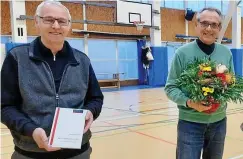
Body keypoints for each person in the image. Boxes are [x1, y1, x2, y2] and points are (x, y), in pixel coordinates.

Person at [1, 1, 104, 159]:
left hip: (78, 152)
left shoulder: (82, 60)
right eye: (49, 20)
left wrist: (91, 111)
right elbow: (5, 107)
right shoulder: (17, 58)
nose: (56, 26)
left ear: (69, 25)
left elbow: (96, 98)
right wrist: (31, 130)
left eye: (62, 21)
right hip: (30, 153)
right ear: (37, 21)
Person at [165, 7, 234, 159]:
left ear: (219, 28)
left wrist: (223, 85)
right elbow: (170, 87)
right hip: (190, 123)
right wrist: (190, 102)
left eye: (214, 25)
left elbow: (231, 83)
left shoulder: (226, 53)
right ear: (196, 26)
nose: (209, 28)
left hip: (219, 123)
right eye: (204, 23)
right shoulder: (182, 53)